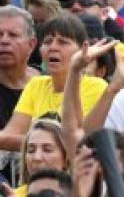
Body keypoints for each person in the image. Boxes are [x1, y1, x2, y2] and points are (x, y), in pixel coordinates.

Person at [0, 14, 107, 150]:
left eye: (63, 42)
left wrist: (33, 142)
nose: (53, 47)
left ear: (82, 50)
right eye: (47, 42)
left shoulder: (96, 87)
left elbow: (77, 141)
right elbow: (9, 134)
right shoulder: (35, 85)